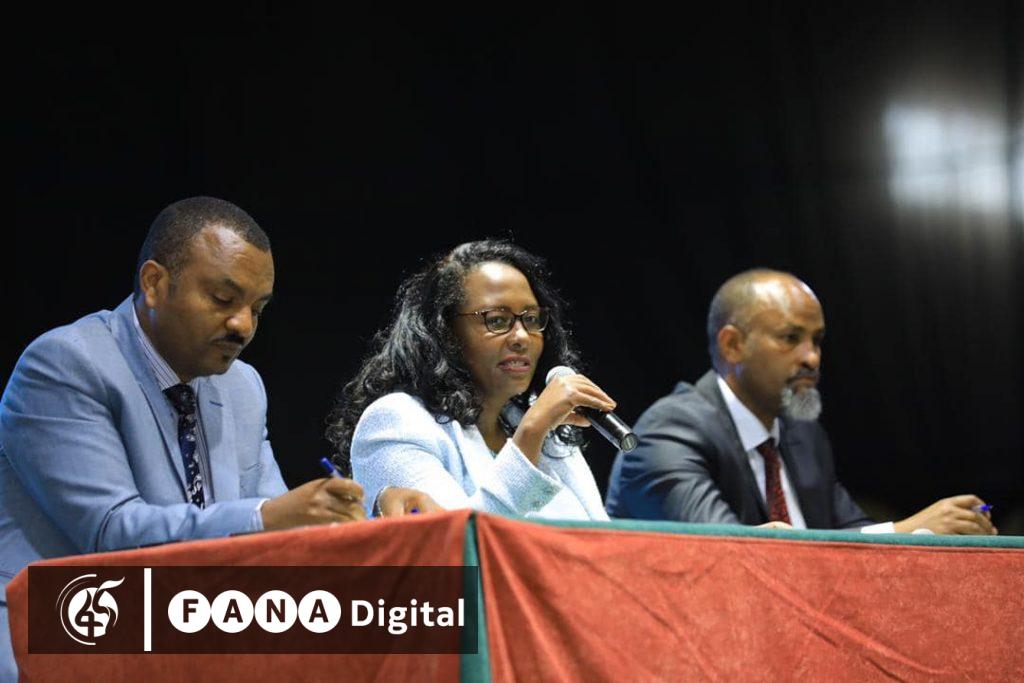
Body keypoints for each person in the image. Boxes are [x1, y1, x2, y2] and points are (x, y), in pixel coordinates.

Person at [0, 197, 435, 679]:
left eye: (257, 309)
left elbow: (283, 530)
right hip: (60, 632)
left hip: (177, 635)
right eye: (223, 300)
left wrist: (368, 519)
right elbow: (111, 535)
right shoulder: (66, 365)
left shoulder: (242, 386)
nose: (243, 326)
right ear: (154, 283)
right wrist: (266, 518)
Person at [606, 268, 997, 535]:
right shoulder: (668, 432)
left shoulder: (802, 436)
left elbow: (846, 534)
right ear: (733, 345)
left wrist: (928, 533)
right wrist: (907, 530)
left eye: (817, 340)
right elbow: (731, 556)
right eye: (790, 338)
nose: (812, 357)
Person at [328, 240, 612, 520]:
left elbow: (602, 535)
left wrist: (534, 429)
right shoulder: (397, 421)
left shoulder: (548, 436)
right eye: (497, 320)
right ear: (445, 331)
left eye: (531, 319)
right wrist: (531, 431)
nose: (522, 337)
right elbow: (454, 540)